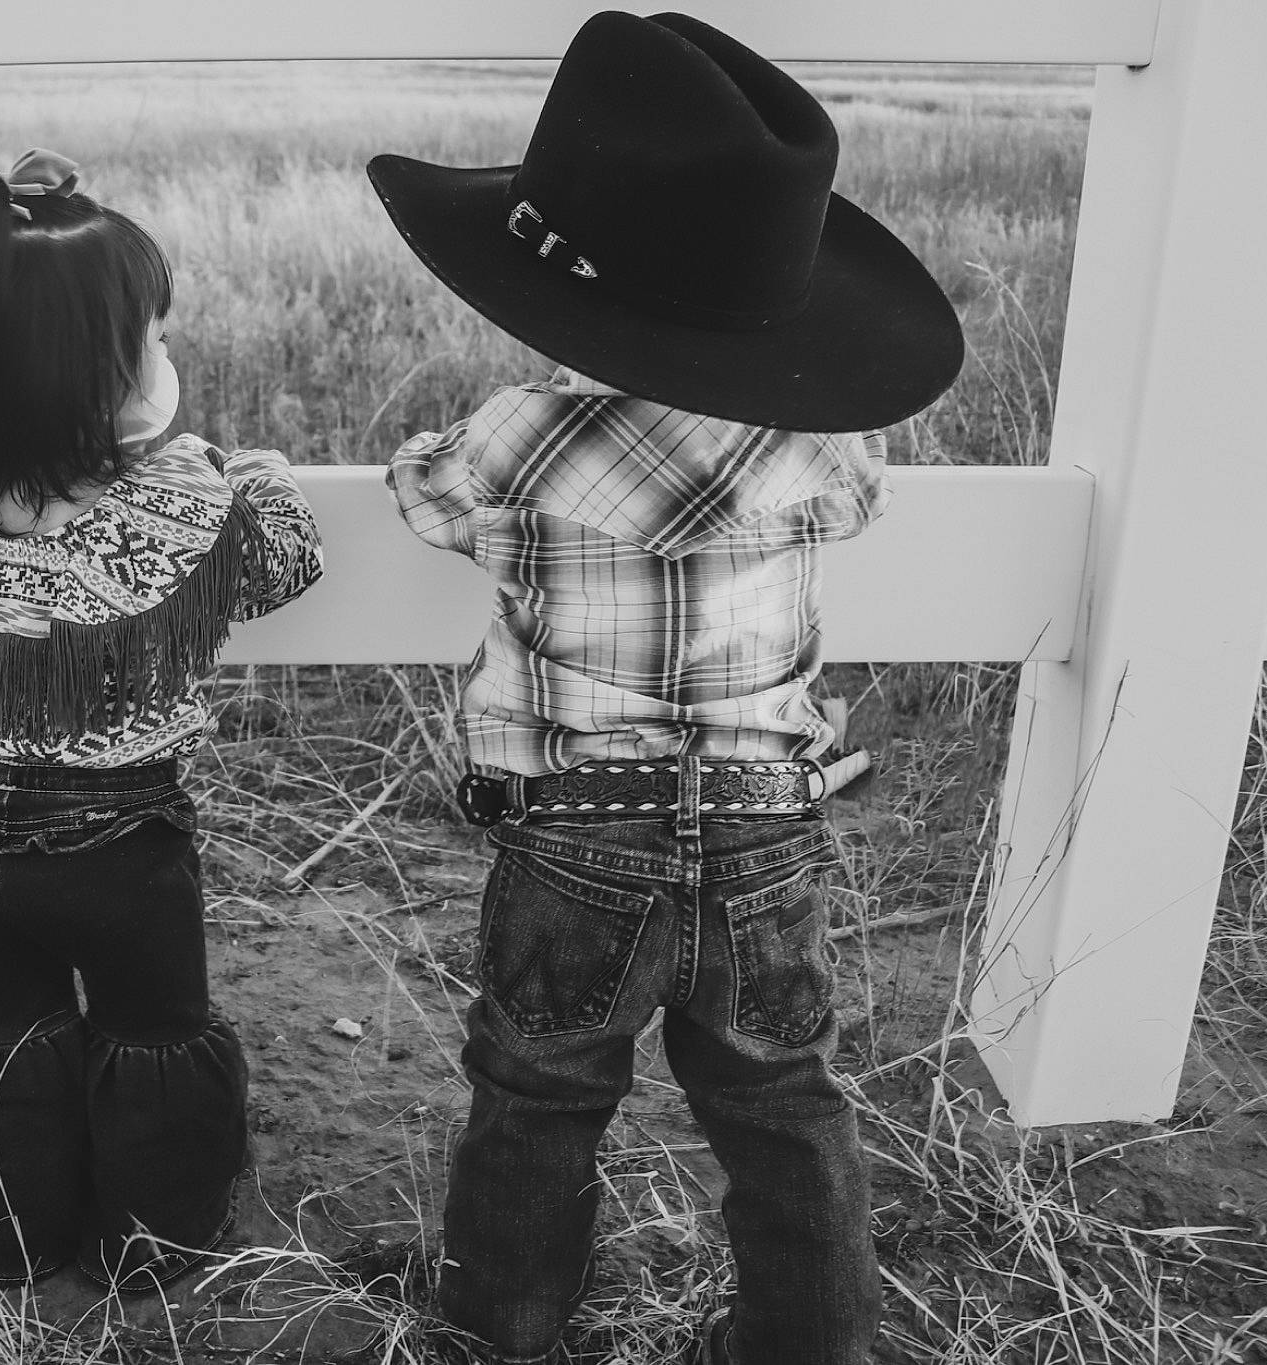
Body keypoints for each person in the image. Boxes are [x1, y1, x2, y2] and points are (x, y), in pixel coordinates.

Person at [366, 13, 963, 1365]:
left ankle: (506, 1329)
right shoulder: (823, 446)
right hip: (770, 820)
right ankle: (812, 1343)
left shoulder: (511, 439)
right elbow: (864, 493)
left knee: (539, 1089)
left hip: (576, 823)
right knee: (786, 1100)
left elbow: (423, 491)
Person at [0, 149, 323, 1292]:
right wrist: (248, 467)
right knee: (153, 1031)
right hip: (122, 844)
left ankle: (9, 1230)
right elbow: (285, 563)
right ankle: (155, 1247)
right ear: (92, 371)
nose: (165, 355)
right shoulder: (185, 499)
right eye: (149, 339)